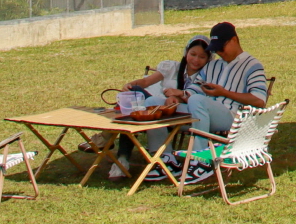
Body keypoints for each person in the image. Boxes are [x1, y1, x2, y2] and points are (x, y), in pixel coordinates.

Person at [104, 36, 209, 182]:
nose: (196, 60)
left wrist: (177, 97)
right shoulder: (172, 67)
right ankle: (122, 157)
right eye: (193, 54)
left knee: (139, 107)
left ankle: (112, 144)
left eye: (202, 57)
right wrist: (130, 85)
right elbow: (146, 81)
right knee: (135, 96)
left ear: (208, 59)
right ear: (186, 53)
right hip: (159, 109)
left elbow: (197, 97)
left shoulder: (207, 75)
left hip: (184, 113)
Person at [179, 21, 268, 181]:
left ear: (234, 40)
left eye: (221, 48)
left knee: (198, 101)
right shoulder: (212, 66)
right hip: (202, 113)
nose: (219, 52)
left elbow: (259, 100)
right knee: (158, 104)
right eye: (216, 49)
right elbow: (194, 90)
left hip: (232, 116)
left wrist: (224, 93)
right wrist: (177, 97)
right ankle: (163, 159)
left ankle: (201, 160)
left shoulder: (252, 65)